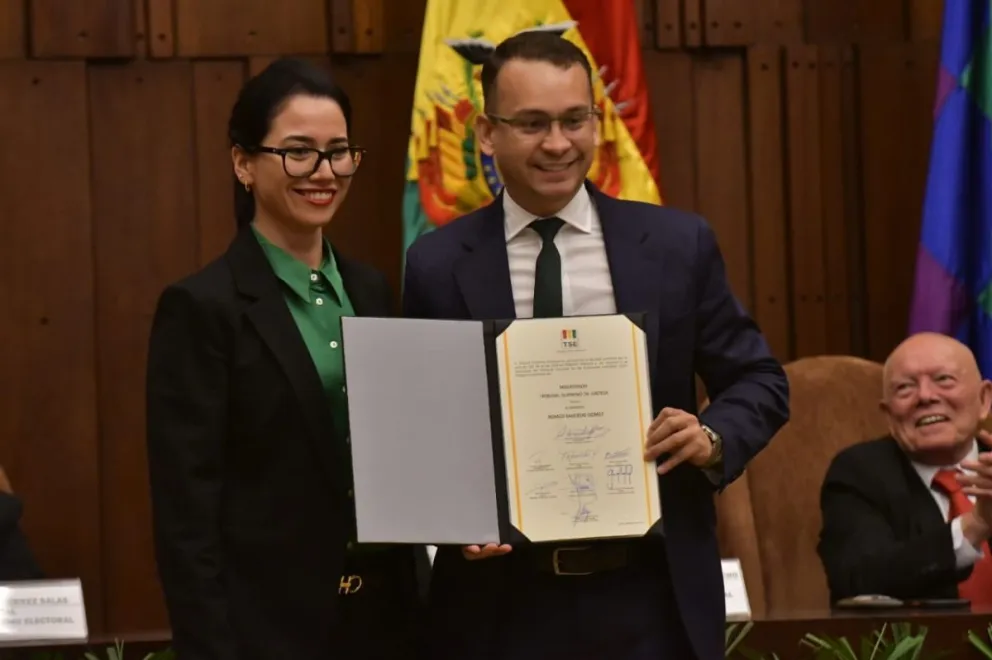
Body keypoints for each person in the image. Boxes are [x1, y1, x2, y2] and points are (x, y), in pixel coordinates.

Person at [403, 31, 789, 660]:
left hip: (650, 600)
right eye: (531, 123)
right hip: (500, 607)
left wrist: (711, 437)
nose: (558, 143)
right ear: (485, 133)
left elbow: (759, 381)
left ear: (597, 121)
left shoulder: (675, 246)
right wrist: (450, 517)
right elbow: (423, 426)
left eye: (574, 119)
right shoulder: (438, 264)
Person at [145, 57, 425, 660]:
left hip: (390, 619)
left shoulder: (372, 290)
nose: (323, 172)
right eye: (298, 152)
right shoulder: (201, 308)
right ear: (243, 163)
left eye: (339, 151)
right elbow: (185, 519)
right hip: (268, 632)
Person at [818, 332, 992, 607]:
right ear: (888, 415)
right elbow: (858, 578)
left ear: (984, 400)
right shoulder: (859, 473)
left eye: (943, 379)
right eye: (905, 388)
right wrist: (973, 527)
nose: (925, 396)